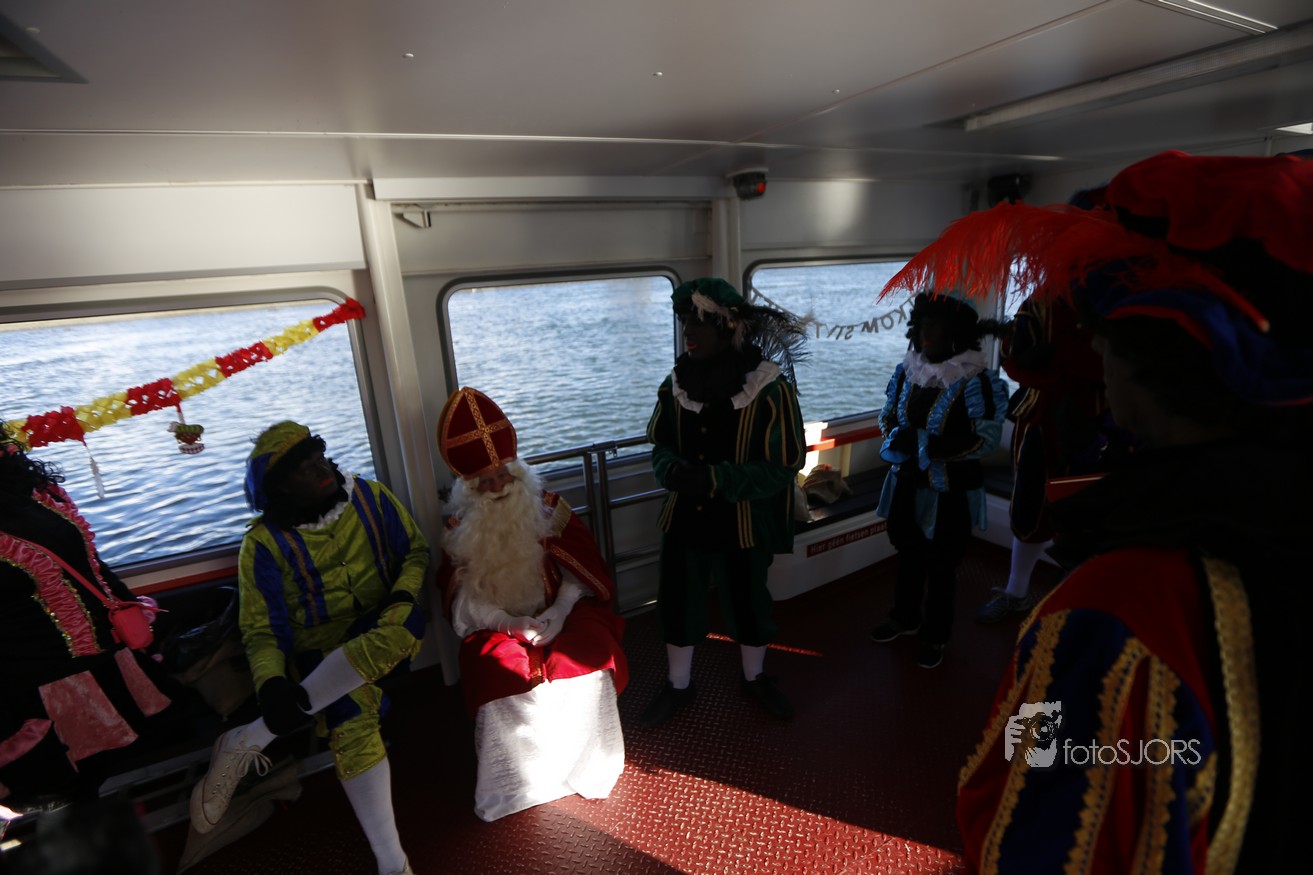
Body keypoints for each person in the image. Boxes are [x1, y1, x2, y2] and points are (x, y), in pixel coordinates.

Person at [886, 149, 1312, 872]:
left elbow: (1024, 827)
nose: (1098, 362)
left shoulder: (1118, 611)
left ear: (1163, 364)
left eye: (1107, 341)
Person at [189, 422, 428, 875]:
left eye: (319, 457)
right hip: (317, 652)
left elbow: (415, 552)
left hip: (386, 621)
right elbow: (262, 629)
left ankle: (254, 737)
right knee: (351, 717)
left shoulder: (373, 498)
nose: (322, 469)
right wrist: (272, 684)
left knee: (402, 626)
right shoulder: (261, 545)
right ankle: (394, 866)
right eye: (305, 468)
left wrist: (401, 594)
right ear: (280, 487)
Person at [434, 387, 628, 822]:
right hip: (498, 625)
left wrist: (560, 610)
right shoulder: (458, 529)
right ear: (469, 488)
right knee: (498, 672)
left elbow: (583, 568)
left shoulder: (550, 509)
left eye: (504, 475)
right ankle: (519, 786)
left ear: (518, 470)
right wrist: (507, 623)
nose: (498, 486)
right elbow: (461, 598)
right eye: (485, 482)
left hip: (563, 610)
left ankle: (590, 768)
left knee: (587, 658)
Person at [641, 277, 808, 727]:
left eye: (699, 323)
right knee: (678, 598)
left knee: (749, 599)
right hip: (684, 516)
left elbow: (784, 464)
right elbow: (660, 443)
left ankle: (755, 678)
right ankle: (679, 685)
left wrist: (716, 479)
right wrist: (670, 470)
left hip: (743, 519)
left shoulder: (768, 388)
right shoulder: (676, 383)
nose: (688, 332)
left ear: (729, 328)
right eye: (684, 322)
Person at [0, 424, 180, 808]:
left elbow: (94, 567)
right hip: (44, 696)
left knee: (149, 769)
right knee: (81, 801)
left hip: (115, 666)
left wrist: (142, 632)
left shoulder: (34, 489)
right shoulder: (28, 491)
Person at [868, 294, 1009, 668]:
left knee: (943, 565)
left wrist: (924, 444)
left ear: (957, 334)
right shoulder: (907, 372)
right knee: (907, 553)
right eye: (922, 325)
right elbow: (888, 416)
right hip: (905, 481)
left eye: (937, 326)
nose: (926, 333)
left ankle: (936, 634)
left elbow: (985, 440)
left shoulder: (977, 381)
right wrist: (896, 438)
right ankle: (905, 617)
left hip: (950, 491)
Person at [975, 295, 1108, 624]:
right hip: (1039, 419)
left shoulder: (1112, 298)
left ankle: (1075, 606)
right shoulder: (1040, 302)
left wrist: (1055, 362)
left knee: (1084, 514)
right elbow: (1013, 359)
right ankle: (1017, 592)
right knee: (1029, 507)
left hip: (1097, 423)